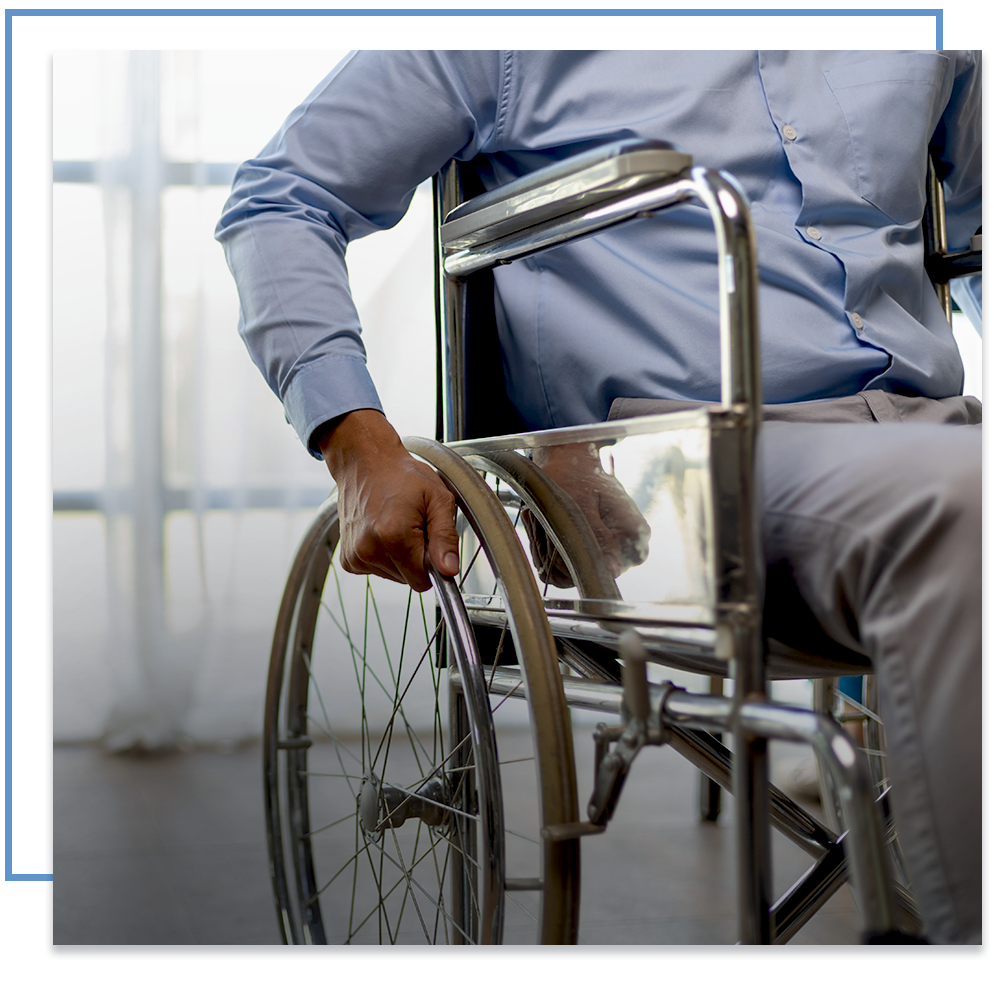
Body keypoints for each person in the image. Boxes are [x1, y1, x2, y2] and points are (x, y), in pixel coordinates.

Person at [216, 50, 982, 944]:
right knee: (960, 508)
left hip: (933, 428)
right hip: (678, 465)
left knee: (955, 490)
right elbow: (282, 199)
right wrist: (356, 444)